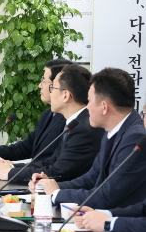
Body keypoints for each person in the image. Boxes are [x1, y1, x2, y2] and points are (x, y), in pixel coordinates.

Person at [30, 68, 146, 209]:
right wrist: (51, 185)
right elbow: (91, 178)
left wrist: (57, 193)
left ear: (104, 107)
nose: (87, 107)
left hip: (120, 219)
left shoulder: (134, 139)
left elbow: (107, 196)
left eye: (90, 101)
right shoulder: (113, 130)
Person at [0, 64, 105, 183]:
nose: (50, 93)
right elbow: (50, 162)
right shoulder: (75, 123)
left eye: (52, 88)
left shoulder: (83, 130)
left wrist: (9, 173)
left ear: (65, 95)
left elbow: (57, 172)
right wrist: (11, 167)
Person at [0, 59, 71, 161]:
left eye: (43, 81)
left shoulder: (69, 119)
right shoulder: (48, 114)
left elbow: (55, 162)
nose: (40, 85)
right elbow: (28, 145)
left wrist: (11, 168)